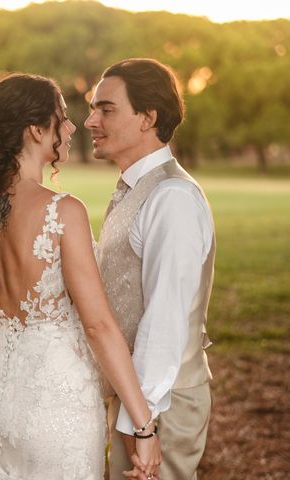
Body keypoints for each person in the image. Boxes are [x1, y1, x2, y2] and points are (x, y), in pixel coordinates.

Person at [0, 73, 160, 479]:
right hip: (57, 404)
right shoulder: (63, 211)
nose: (70, 127)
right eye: (61, 118)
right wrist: (144, 427)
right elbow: (99, 326)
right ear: (35, 130)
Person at [84, 58, 215, 480]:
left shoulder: (171, 197)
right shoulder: (136, 188)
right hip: (137, 400)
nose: (90, 121)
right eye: (92, 108)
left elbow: (164, 321)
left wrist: (142, 426)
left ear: (148, 117)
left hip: (162, 404)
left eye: (106, 109)